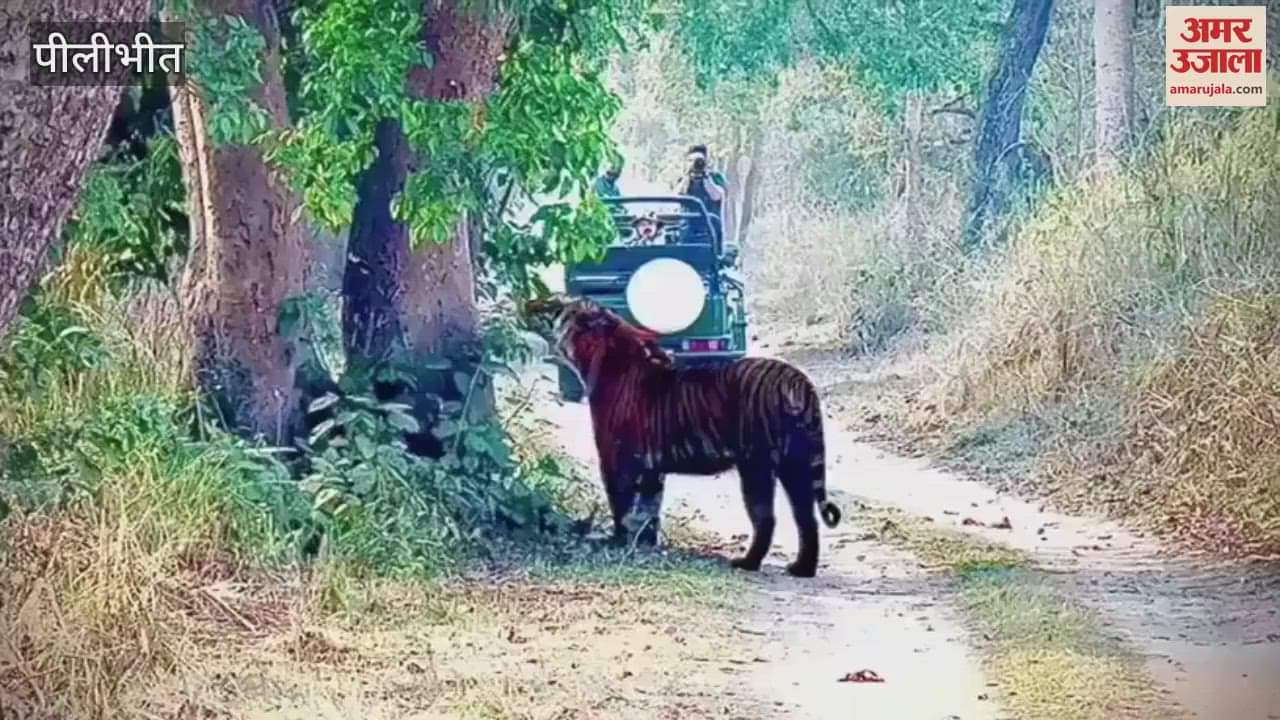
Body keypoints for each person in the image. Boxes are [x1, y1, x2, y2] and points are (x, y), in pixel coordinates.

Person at [672, 144, 727, 242]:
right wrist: (687, 177)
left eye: (698, 160)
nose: (695, 164)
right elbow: (675, 197)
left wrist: (705, 177)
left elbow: (716, 196)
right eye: (690, 161)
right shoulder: (681, 179)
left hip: (710, 229)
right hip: (686, 229)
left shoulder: (715, 177)